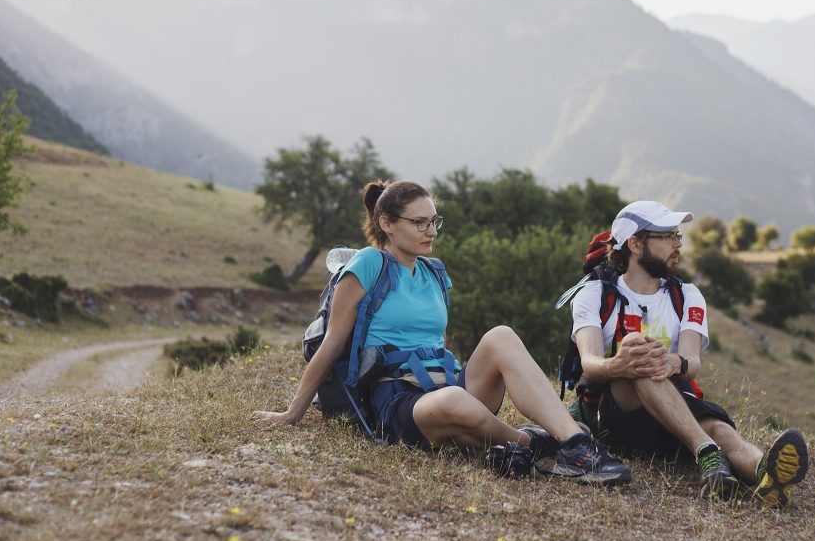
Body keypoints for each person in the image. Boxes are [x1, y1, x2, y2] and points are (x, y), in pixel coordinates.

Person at [254, 179, 631, 485]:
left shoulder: (434, 271)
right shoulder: (368, 263)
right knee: (455, 404)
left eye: (434, 220)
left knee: (500, 335)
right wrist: (292, 413)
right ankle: (532, 442)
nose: (430, 230)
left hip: (444, 382)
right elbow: (332, 343)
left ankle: (577, 445)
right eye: (419, 223)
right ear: (386, 223)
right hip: (395, 398)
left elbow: (434, 343)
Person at [570, 200, 808, 506]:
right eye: (668, 237)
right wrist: (620, 364)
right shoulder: (594, 293)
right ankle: (708, 456)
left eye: (677, 236)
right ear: (636, 244)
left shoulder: (687, 295)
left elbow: (692, 362)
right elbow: (589, 363)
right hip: (617, 417)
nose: (677, 245)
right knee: (644, 361)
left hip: (674, 409)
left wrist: (675, 362)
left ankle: (766, 474)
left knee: (720, 429)